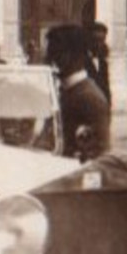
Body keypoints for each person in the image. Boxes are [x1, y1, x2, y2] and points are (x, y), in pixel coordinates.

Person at [44, 24, 110, 161]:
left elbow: (98, 155)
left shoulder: (90, 99)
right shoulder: (66, 91)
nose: (50, 59)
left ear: (76, 54)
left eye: (56, 53)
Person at [86, 22, 113, 100]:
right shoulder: (81, 62)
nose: (98, 44)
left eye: (102, 40)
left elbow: (106, 87)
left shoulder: (103, 63)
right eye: (95, 40)